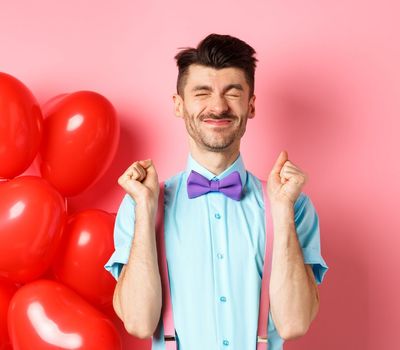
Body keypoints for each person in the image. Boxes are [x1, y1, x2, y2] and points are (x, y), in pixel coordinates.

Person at [104, 33, 329, 350]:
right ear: (179, 106)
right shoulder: (140, 205)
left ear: (250, 106)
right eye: (202, 92)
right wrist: (145, 210)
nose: (218, 106)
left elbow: (294, 323)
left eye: (232, 93)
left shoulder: (293, 204)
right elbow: (139, 322)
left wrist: (283, 213)